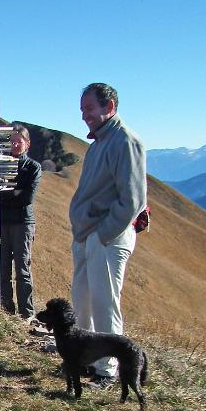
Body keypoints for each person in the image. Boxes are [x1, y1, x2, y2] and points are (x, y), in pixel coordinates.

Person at [69, 83, 147, 386]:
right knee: (83, 301)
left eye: (89, 109)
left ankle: (108, 370)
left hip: (106, 238)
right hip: (89, 236)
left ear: (109, 107)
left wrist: (103, 234)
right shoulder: (100, 142)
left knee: (104, 303)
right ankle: (88, 360)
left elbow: (132, 200)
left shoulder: (124, 141)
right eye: (82, 110)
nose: (84, 116)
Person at [0, 123, 42, 321]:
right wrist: (11, 192)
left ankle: (27, 313)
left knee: (22, 268)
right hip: (0, 222)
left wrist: (4, 192)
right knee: (2, 267)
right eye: (13, 141)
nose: (16, 145)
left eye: (20, 141)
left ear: (27, 144)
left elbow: (27, 198)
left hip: (22, 224)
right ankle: (6, 311)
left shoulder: (33, 167)